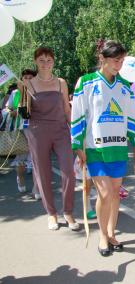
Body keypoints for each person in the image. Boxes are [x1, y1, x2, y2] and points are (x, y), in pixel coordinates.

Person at [71, 39, 135, 257]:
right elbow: (78, 115)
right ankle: (102, 236)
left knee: (114, 193)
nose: (119, 64)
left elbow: (132, 117)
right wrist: (77, 145)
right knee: (103, 193)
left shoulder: (124, 88)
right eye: (115, 60)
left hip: (118, 148)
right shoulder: (86, 82)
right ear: (102, 58)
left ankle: (112, 233)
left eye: (122, 60)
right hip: (95, 149)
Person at [24, 47, 78, 230]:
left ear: (53, 62)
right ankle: (51, 214)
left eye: (49, 60)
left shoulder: (61, 83)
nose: (45, 64)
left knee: (68, 170)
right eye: (41, 60)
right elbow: (25, 113)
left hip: (61, 129)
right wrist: (23, 99)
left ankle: (68, 212)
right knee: (43, 172)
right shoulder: (29, 84)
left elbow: (66, 108)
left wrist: (75, 130)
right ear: (35, 62)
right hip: (38, 131)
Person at [6, 69, 40, 198]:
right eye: (25, 77)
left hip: (36, 128)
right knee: (21, 156)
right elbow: (8, 109)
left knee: (36, 157)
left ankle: (37, 188)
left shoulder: (38, 91)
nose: (28, 79)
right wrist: (12, 111)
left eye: (30, 77)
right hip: (20, 128)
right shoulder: (15, 93)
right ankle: (20, 178)